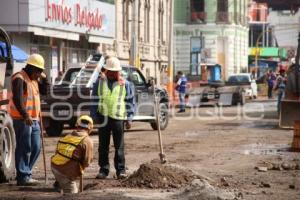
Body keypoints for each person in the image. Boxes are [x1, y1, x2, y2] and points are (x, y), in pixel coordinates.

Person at [90, 57, 136, 179]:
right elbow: (94, 100)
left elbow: (130, 101)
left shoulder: (125, 84)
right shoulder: (99, 82)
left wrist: (130, 118)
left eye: (114, 71)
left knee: (119, 146)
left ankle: (120, 170)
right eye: (110, 71)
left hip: (118, 119)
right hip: (103, 117)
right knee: (103, 146)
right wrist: (93, 116)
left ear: (118, 72)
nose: (112, 74)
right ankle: (103, 170)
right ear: (106, 71)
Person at [8, 54, 48, 186]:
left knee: (36, 147)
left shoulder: (34, 79)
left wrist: (45, 79)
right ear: (31, 67)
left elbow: (45, 92)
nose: (39, 74)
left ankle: (26, 172)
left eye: (41, 71)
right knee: (25, 147)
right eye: (38, 71)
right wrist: (25, 115)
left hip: (35, 119)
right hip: (22, 119)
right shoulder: (19, 78)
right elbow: (17, 99)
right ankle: (23, 176)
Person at [51, 115, 94, 194]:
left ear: (77, 126)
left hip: (54, 165)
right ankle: (62, 183)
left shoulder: (67, 136)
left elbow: (57, 152)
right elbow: (87, 162)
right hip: (64, 172)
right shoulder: (87, 141)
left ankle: (59, 183)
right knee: (73, 194)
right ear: (90, 128)